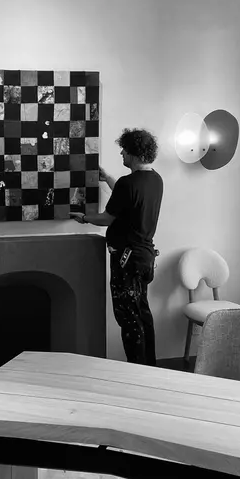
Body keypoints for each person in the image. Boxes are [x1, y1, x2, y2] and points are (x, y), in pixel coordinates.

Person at [71, 128, 163, 366]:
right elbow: (128, 198)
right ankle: (150, 368)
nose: (121, 153)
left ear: (133, 152)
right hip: (145, 258)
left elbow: (106, 218)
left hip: (127, 260)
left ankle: (137, 370)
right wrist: (108, 178)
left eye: (124, 149)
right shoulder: (155, 180)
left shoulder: (127, 183)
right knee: (142, 314)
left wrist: (85, 218)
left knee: (129, 319)